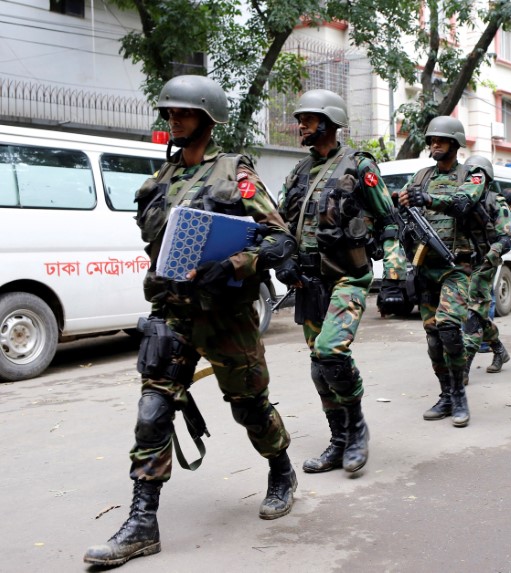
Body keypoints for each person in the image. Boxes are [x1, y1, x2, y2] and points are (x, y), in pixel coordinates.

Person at [84, 75, 298, 567]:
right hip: (173, 313)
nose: (173, 119)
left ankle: (281, 469)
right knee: (152, 411)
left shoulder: (235, 173)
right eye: (169, 112)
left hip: (226, 317)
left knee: (250, 408)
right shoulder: (159, 182)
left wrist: (235, 264)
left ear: (207, 117)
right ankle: (142, 523)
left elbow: (279, 240)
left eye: (182, 112)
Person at [277, 89, 407, 475]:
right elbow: (280, 223)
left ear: (329, 122)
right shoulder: (299, 172)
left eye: (308, 118)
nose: (300, 124)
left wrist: (395, 272)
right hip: (311, 281)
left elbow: (389, 222)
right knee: (320, 363)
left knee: (332, 350)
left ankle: (357, 430)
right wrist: (282, 257)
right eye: (300, 118)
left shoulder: (359, 166)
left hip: (349, 276)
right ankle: (338, 441)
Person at [397, 116, 485, 427]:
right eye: (431, 139)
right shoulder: (420, 176)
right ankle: (445, 393)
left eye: (441, 140)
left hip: (456, 266)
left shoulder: (472, 175)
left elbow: (463, 203)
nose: (434, 144)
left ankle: (460, 393)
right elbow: (403, 205)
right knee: (433, 336)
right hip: (425, 266)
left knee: (449, 326)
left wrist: (430, 199)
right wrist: (401, 201)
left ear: (455, 144)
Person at [460, 155, 511, 381]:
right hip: (459, 262)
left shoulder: (495, 201)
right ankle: (499, 349)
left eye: (478, 175)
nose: (475, 180)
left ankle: (463, 368)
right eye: (470, 175)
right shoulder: (460, 199)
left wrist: (490, 256)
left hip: (484, 263)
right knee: (472, 312)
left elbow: (505, 239)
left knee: (473, 314)